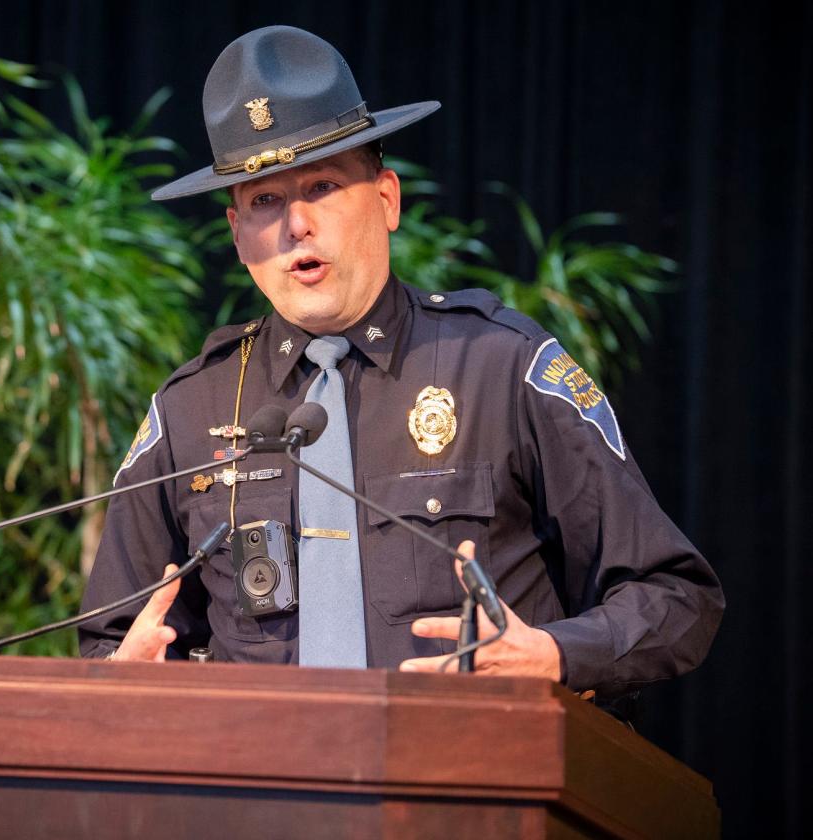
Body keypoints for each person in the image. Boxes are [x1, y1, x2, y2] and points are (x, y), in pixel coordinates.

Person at [77, 25, 723, 701]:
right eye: (264, 201)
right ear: (240, 235)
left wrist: (555, 655)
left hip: (470, 783)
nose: (295, 224)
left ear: (386, 200)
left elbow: (677, 598)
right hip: (261, 795)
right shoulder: (191, 411)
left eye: (321, 186)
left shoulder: (501, 366)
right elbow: (115, 639)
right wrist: (125, 682)